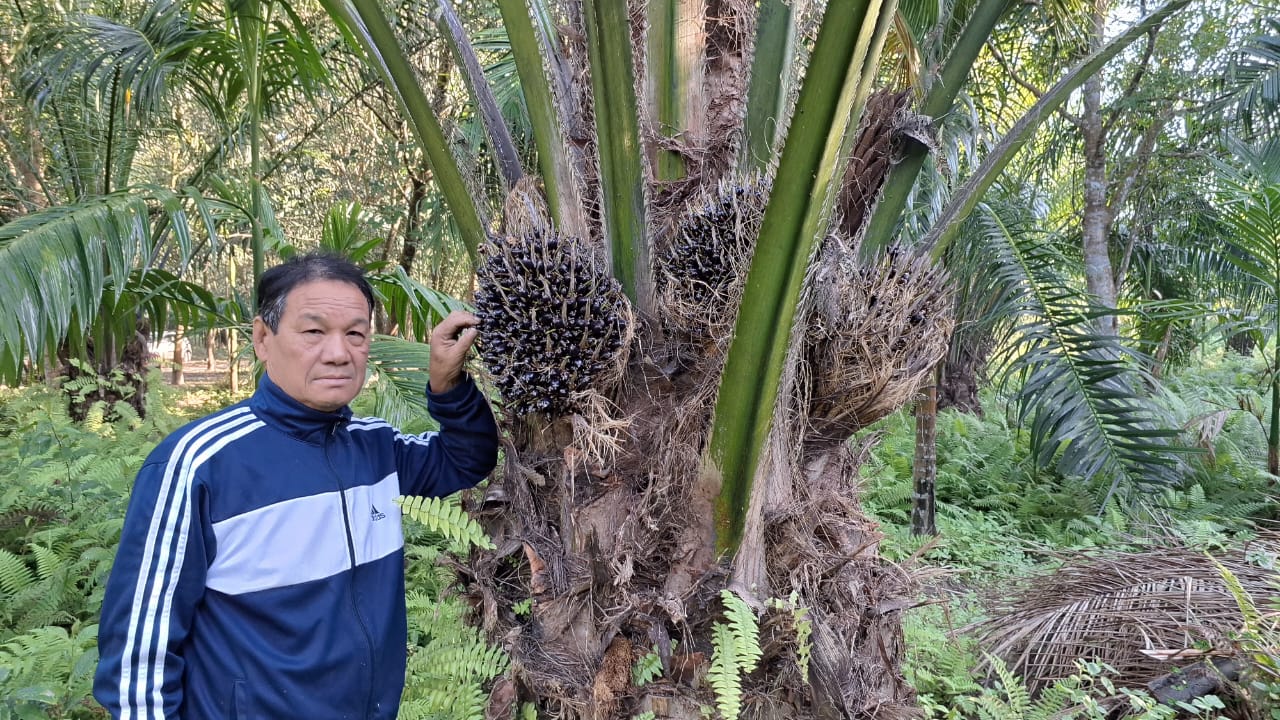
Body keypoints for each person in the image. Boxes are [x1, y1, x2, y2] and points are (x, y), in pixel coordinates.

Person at [93, 252, 499, 719]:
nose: (338, 352)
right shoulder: (199, 464)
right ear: (263, 338)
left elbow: (466, 459)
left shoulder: (375, 449)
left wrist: (447, 385)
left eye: (355, 334)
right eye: (313, 331)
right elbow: (137, 661)